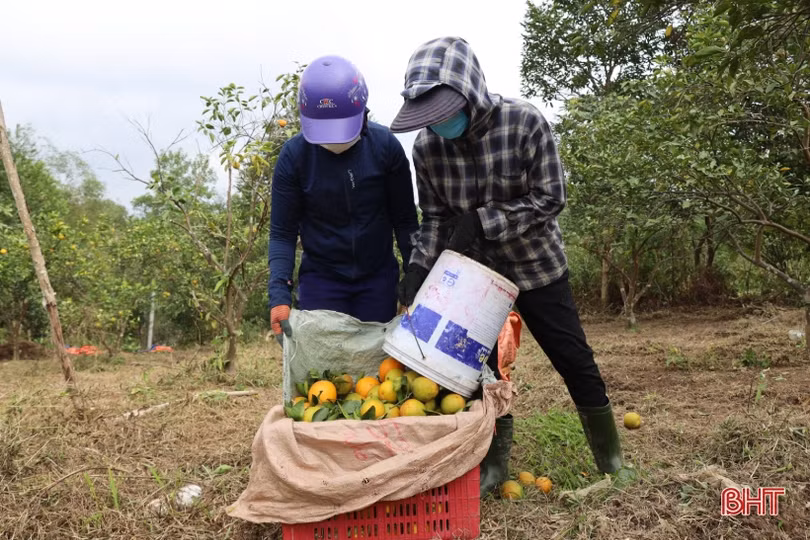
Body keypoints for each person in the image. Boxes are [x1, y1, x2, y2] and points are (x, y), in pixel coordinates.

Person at [389, 37, 623, 496]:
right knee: (481, 373)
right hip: (473, 283)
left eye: (444, 113)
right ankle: (493, 462)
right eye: (429, 118)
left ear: (470, 94)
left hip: (536, 267)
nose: (438, 125)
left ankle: (611, 460)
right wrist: (417, 267)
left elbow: (551, 198)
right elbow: (435, 219)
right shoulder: (427, 149)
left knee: (574, 359)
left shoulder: (524, 122)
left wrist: (484, 220)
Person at [269, 55, 418, 343]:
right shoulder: (294, 157)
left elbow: (405, 221)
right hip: (321, 281)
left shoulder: (385, 148)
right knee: (322, 376)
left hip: (378, 280)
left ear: (362, 110)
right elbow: (282, 233)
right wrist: (279, 295)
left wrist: (414, 281)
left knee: (378, 376)